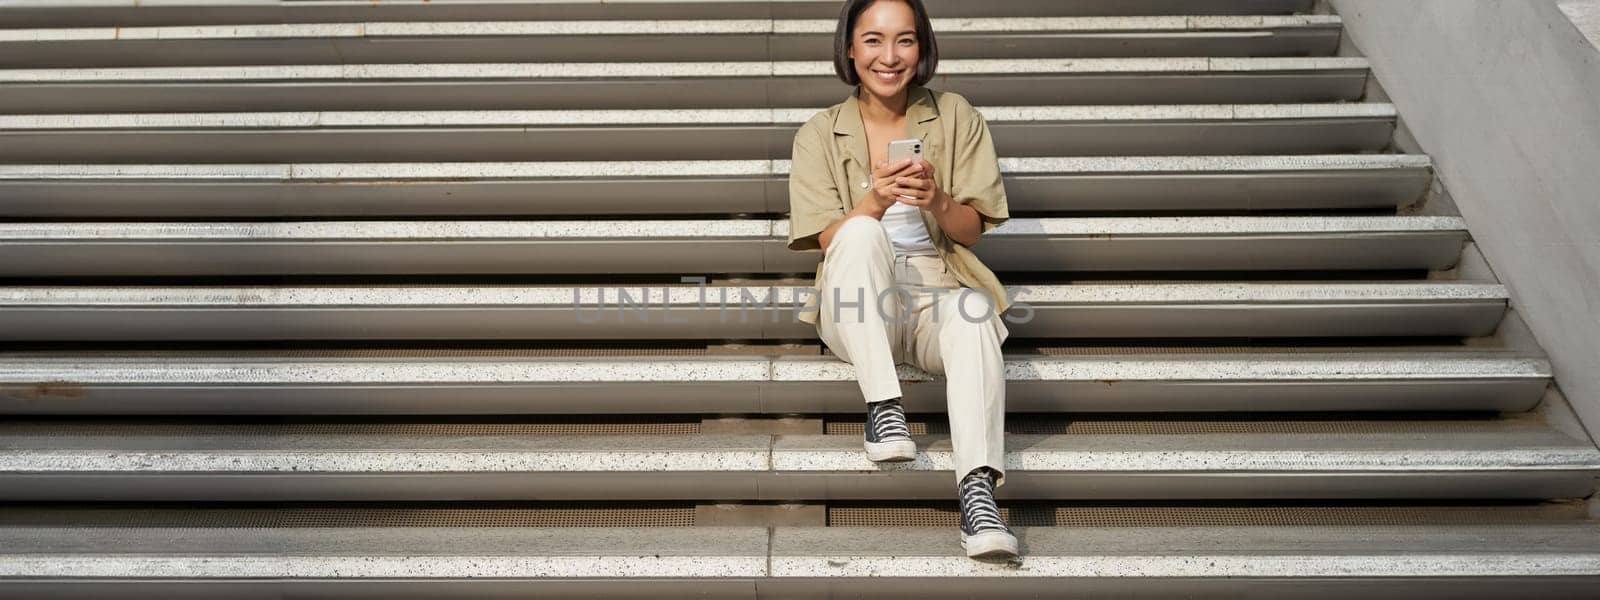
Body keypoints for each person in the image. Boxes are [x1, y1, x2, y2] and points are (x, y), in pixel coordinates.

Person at [786, 0, 1017, 560]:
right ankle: (885, 409)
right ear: (848, 47)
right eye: (873, 40)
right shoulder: (819, 132)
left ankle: (978, 496)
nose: (889, 57)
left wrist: (935, 198)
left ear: (922, 47)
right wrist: (875, 200)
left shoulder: (957, 114)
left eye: (905, 40)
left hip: (937, 288)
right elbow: (827, 241)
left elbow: (973, 231)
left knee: (975, 316)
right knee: (863, 234)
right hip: (857, 302)